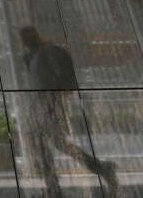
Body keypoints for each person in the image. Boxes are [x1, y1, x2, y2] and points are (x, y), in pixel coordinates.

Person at [19, 26, 118, 197]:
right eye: (22, 38)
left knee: (48, 143)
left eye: (25, 37)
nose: (24, 41)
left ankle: (55, 185)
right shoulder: (33, 56)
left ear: (33, 36)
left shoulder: (48, 51)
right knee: (51, 143)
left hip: (49, 103)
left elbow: (62, 75)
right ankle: (99, 168)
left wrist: (56, 97)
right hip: (41, 103)